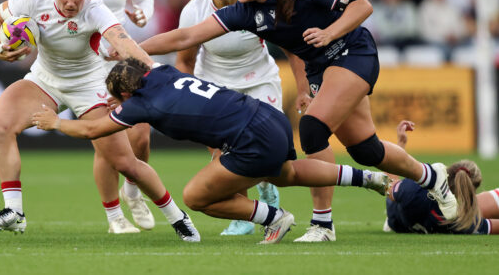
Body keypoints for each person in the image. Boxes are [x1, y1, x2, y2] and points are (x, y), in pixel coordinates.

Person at [134, 0, 458, 242]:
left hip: (352, 53)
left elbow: (363, 6)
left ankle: (323, 223)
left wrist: (330, 33)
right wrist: (132, 47)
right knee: (366, 150)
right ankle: (432, 177)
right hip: (321, 67)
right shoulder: (245, 12)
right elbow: (185, 37)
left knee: (312, 129)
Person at [32, 57, 392, 245]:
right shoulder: (163, 71)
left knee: (196, 196)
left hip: (249, 136)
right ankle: (368, 178)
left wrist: (56, 123)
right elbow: (137, 62)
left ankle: (274, 219)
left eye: (116, 98)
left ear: (127, 95)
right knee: (287, 174)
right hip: (268, 115)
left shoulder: (140, 104)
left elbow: (94, 128)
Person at [0, 0, 199, 242]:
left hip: (88, 85)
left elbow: (124, 44)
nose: (70, 2)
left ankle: (178, 217)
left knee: (125, 164)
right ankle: (14, 212)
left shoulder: (95, 9)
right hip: (44, 80)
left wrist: (157, 73)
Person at [46, 0, 155, 232]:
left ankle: (133, 193)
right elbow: (52, 7)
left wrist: (142, 14)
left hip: (120, 60)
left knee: (141, 136)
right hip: (89, 62)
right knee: (107, 142)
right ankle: (115, 217)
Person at [175, 0, 281, 236]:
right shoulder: (194, 10)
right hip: (214, 86)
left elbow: (291, 45)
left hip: (259, 80)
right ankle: (244, 217)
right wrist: (184, 99)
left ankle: (265, 186)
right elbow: (184, 60)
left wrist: (304, 88)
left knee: (263, 150)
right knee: (224, 158)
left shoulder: (257, 2)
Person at [384, 120, 499, 235]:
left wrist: (400, 144)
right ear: (472, 190)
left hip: (398, 219)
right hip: (414, 216)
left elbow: (388, 184)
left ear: (447, 171)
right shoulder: (464, 223)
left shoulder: (415, 190)